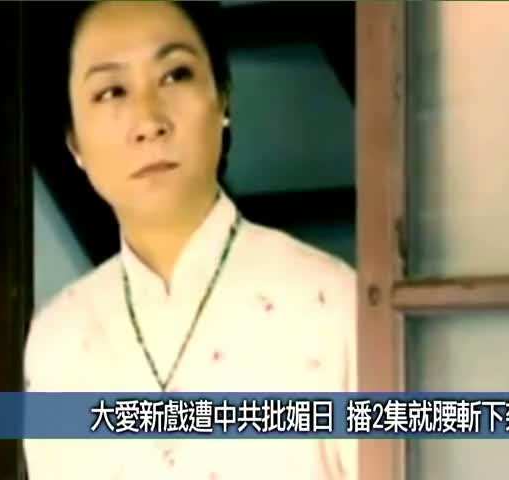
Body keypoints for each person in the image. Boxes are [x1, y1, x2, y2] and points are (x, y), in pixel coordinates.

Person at [22, 2, 358, 479]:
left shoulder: (331, 305)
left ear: (223, 100)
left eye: (175, 75)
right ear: (73, 140)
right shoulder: (56, 340)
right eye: (111, 91)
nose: (148, 121)